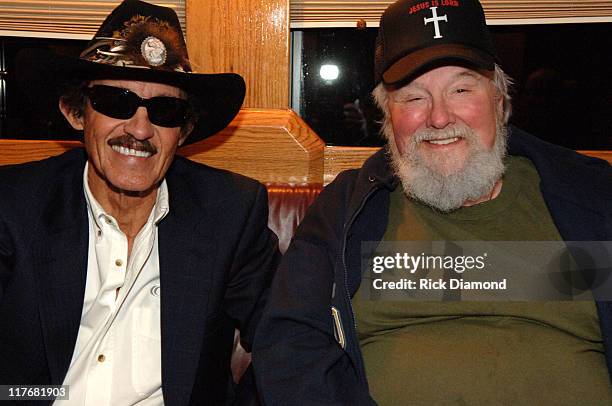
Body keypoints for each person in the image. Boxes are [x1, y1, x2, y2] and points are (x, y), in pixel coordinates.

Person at [253, 0, 612, 404]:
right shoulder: (346, 209)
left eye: (460, 89)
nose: (439, 118)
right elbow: (289, 346)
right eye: (413, 97)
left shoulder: (592, 196)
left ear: (499, 100)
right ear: (387, 116)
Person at [0, 1, 279, 404]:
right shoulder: (14, 206)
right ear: (77, 113)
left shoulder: (230, 211)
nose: (140, 128)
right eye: (117, 102)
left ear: (183, 132)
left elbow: (290, 333)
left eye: (166, 110)